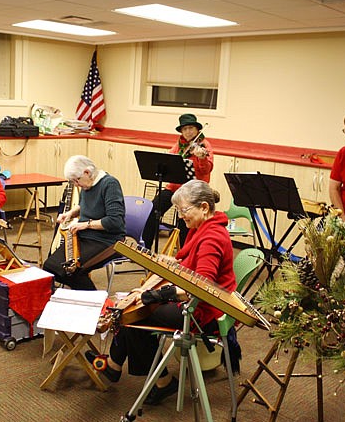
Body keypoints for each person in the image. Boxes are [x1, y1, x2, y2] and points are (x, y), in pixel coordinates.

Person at [87, 180, 238, 405]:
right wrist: (162, 262)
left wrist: (157, 295)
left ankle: (163, 381)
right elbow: (189, 264)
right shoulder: (204, 228)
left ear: (204, 207)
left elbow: (202, 287)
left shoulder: (212, 237)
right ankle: (115, 366)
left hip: (203, 312)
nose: (181, 216)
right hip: (201, 304)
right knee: (134, 308)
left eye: (184, 210)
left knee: (135, 315)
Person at [43, 155, 126, 290]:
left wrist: (86, 224)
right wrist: (70, 214)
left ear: (87, 172)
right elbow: (83, 205)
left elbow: (114, 221)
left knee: (72, 271)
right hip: (84, 235)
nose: (76, 184)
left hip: (108, 240)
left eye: (77, 180)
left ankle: (97, 304)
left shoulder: (110, 184)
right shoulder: (87, 184)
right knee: (50, 266)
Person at [142, 113, 214, 249]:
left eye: (191, 128)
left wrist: (202, 158)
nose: (188, 132)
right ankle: (145, 248)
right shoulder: (180, 145)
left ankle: (185, 254)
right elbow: (170, 160)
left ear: (197, 129)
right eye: (185, 129)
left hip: (193, 192)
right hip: (175, 188)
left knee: (185, 220)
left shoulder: (204, 145)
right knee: (151, 210)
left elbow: (206, 171)